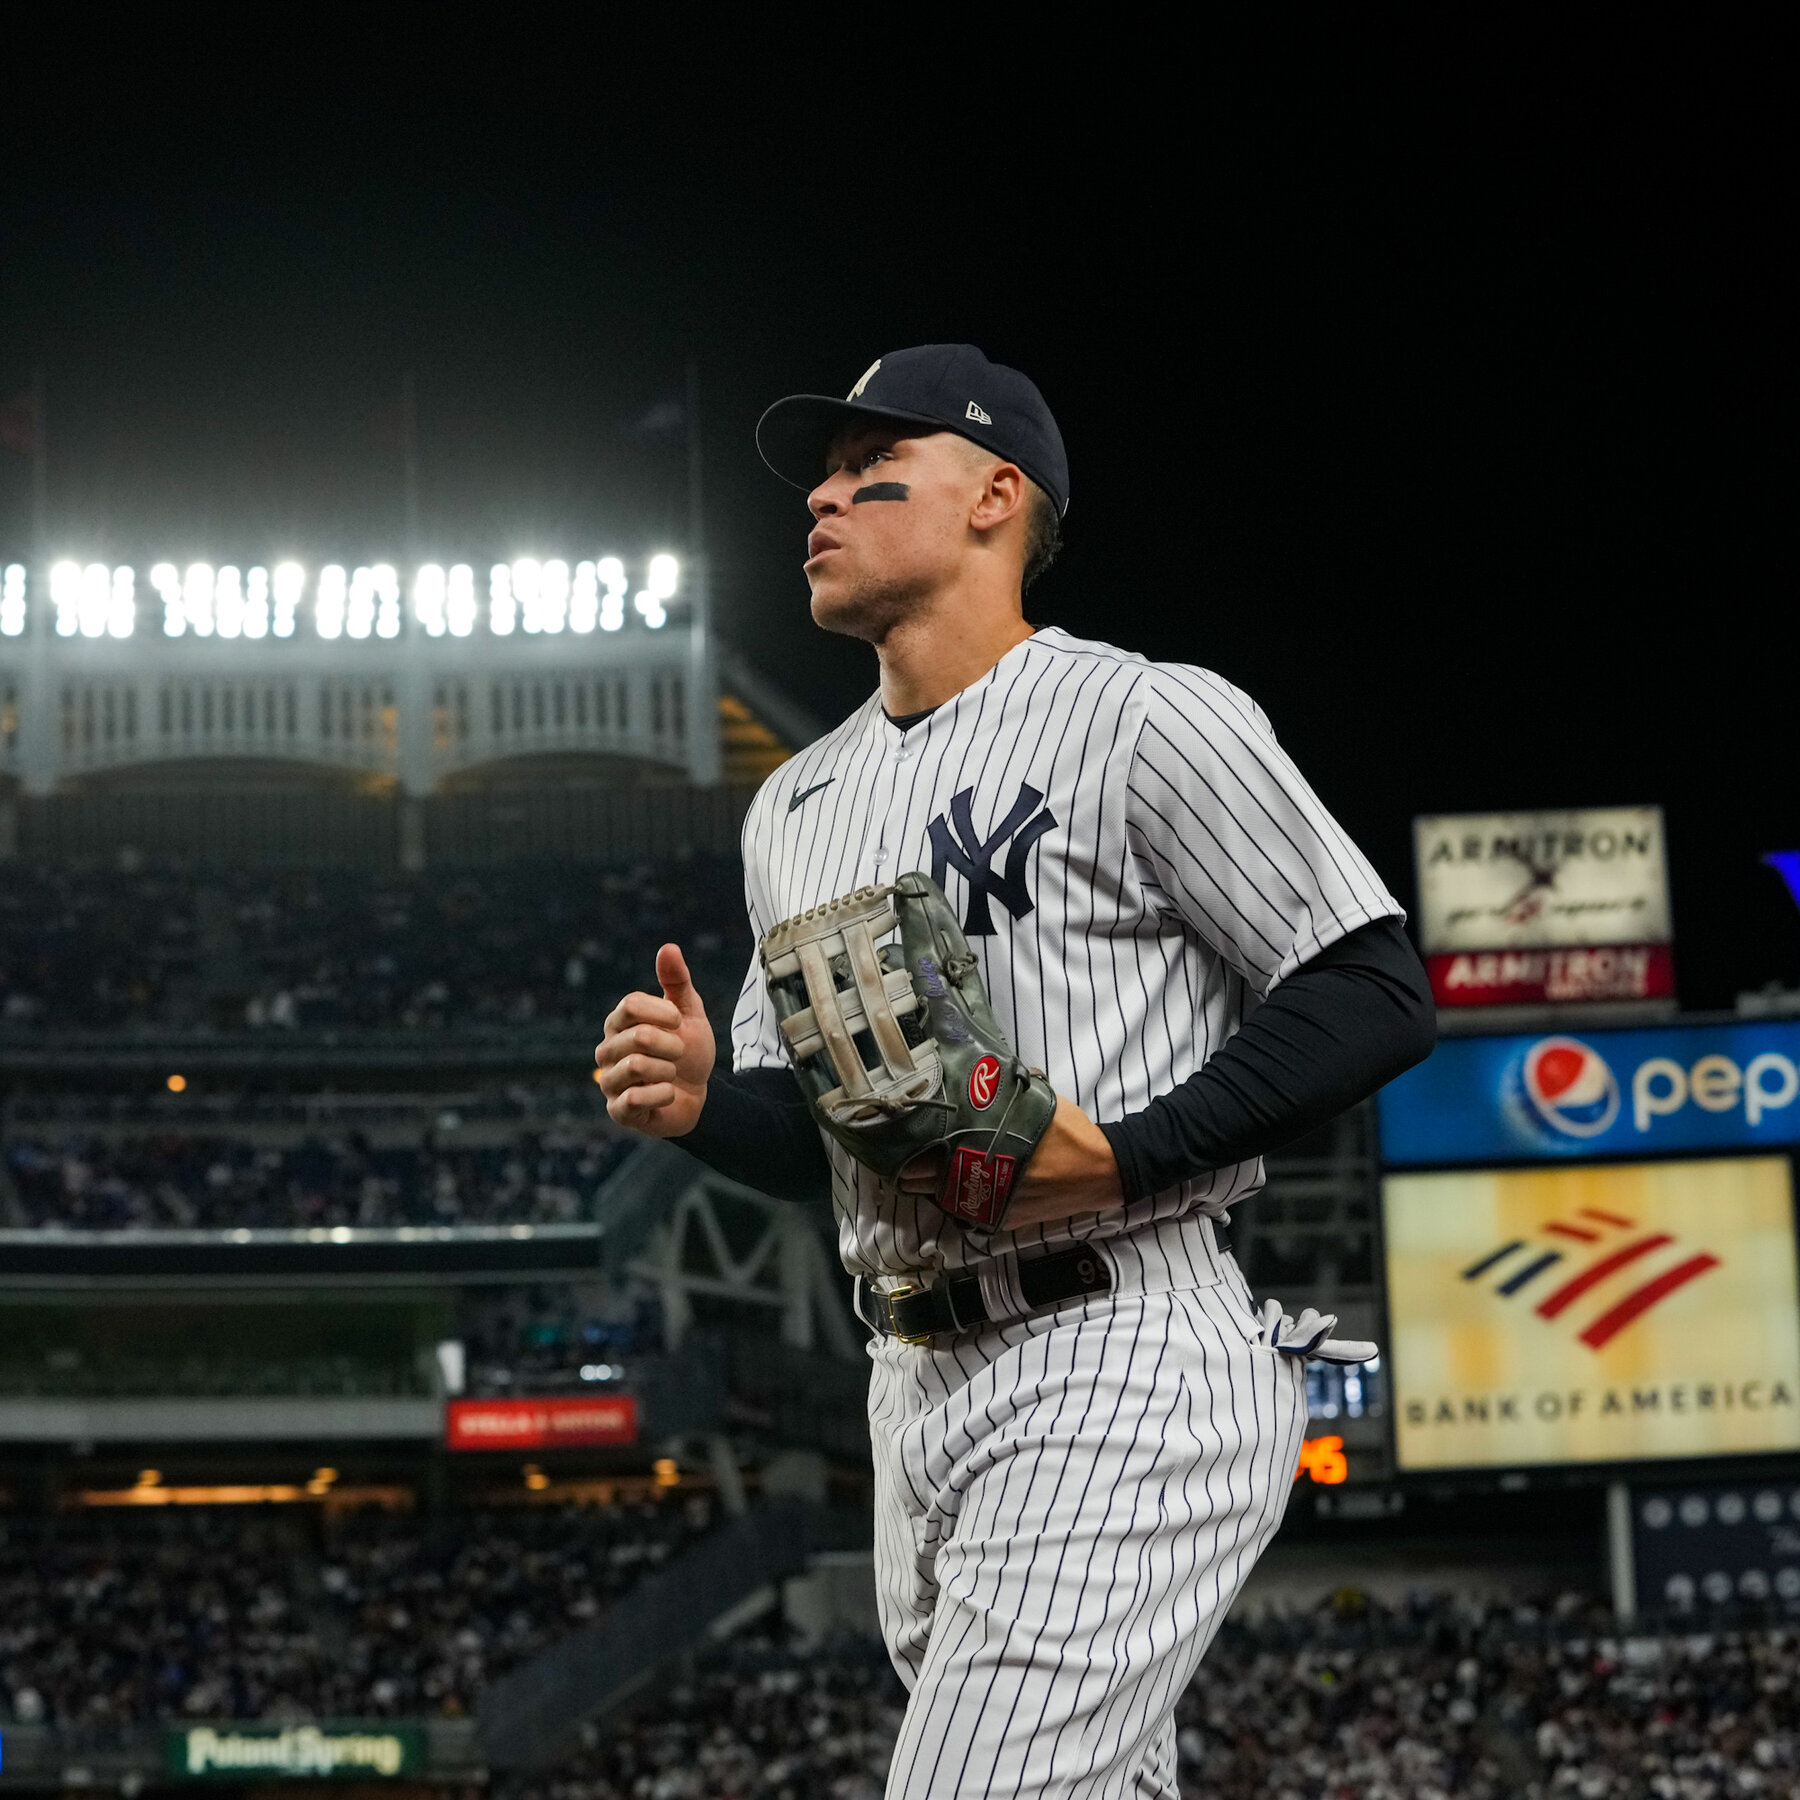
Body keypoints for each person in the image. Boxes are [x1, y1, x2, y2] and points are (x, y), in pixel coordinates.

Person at [596, 343, 1435, 1798]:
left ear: (998, 496)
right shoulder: (794, 804)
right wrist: (698, 1110)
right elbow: (820, 1139)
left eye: (873, 471)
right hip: (913, 1375)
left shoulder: (1144, 716)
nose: (823, 500)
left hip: (1122, 1340)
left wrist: (1132, 1151)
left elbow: (1371, 989)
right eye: (820, 479)